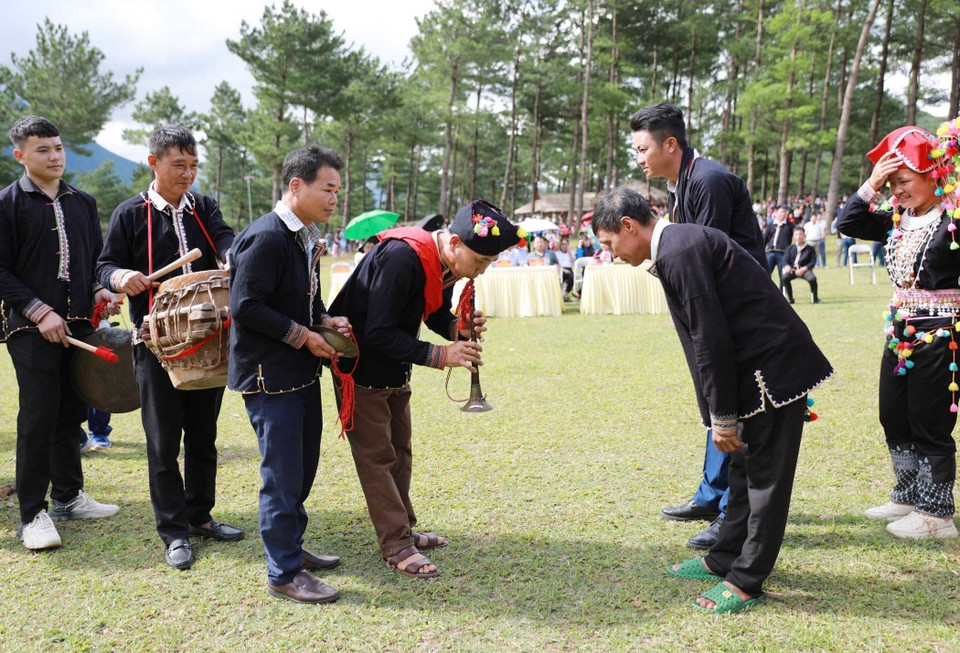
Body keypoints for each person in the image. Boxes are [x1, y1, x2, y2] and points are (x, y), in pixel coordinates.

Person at [594, 186, 833, 613]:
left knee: (765, 480)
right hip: (754, 373)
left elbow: (710, 339)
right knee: (742, 473)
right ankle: (724, 557)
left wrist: (721, 417)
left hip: (771, 372)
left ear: (628, 226)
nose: (612, 254)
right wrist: (719, 415)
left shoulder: (680, 250)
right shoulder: (677, 245)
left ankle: (747, 579)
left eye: (609, 243)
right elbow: (706, 338)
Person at [330, 199, 523, 578]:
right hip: (362, 366)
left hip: (395, 368)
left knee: (400, 450)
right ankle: (395, 544)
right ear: (453, 243)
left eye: (488, 264)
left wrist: (457, 330)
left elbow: (434, 312)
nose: (480, 273)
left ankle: (404, 528)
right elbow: (378, 331)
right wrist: (440, 354)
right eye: (479, 262)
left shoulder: (445, 263)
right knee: (377, 457)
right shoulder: (403, 257)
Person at [97, 126, 244, 569]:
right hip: (153, 343)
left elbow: (226, 240)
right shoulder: (129, 214)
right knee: (163, 442)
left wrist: (233, 254)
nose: (188, 173)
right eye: (179, 164)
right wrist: (122, 278)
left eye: (193, 165)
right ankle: (173, 531)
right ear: (154, 163)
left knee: (204, 436)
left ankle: (199, 516)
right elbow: (104, 265)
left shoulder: (205, 208)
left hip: (206, 341)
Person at [630, 102, 768, 550]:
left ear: (670, 144)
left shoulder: (707, 180)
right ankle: (713, 494)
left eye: (642, 148)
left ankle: (731, 511)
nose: (638, 157)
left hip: (740, 315)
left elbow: (703, 258)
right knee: (716, 398)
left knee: (734, 406)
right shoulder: (681, 182)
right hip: (714, 309)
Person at [230, 145, 349, 603]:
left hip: (298, 373)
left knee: (300, 471)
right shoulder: (266, 235)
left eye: (338, 190)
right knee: (281, 476)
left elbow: (303, 297)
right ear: (296, 186)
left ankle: (292, 549)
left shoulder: (304, 234)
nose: (334, 198)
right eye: (328, 189)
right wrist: (303, 336)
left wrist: (324, 320)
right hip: (269, 376)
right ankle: (283, 572)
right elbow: (245, 305)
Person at [0, 115, 120, 551]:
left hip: (80, 326)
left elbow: (89, 263)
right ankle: (32, 514)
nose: (54, 157)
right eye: (42, 150)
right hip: (29, 330)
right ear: (21, 156)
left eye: (58, 148)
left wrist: (101, 290)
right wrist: (37, 310)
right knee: (38, 417)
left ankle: (68, 496)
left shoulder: (82, 202)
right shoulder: (6, 204)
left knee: (73, 411)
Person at [837, 124, 960, 539]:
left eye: (903, 181)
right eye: (891, 183)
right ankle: (907, 495)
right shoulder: (896, 219)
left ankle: (937, 514)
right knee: (893, 415)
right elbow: (848, 220)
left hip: (943, 334)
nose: (897, 191)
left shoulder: (953, 220)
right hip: (900, 333)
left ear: (932, 175)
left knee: (930, 421)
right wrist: (872, 183)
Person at [782, 227, 820, 305]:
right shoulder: (789, 248)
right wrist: (787, 266)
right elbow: (784, 260)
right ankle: (790, 299)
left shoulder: (810, 249)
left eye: (800, 234)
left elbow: (813, 261)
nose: (798, 236)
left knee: (812, 279)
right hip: (792, 270)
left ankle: (815, 299)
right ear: (793, 236)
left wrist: (804, 269)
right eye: (796, 234)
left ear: (804, 235)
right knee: (785, 277)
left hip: (805, 270)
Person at [764, 208, 793, 288]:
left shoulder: (790, 226)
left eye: (785, 212)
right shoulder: (771, 225)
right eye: (781, 212)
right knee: (766, 273)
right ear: (776, 213)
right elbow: (765, 238)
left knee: (783, 275)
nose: (783, 214)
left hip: (783, 254)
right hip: (770, 252)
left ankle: (781, 294)